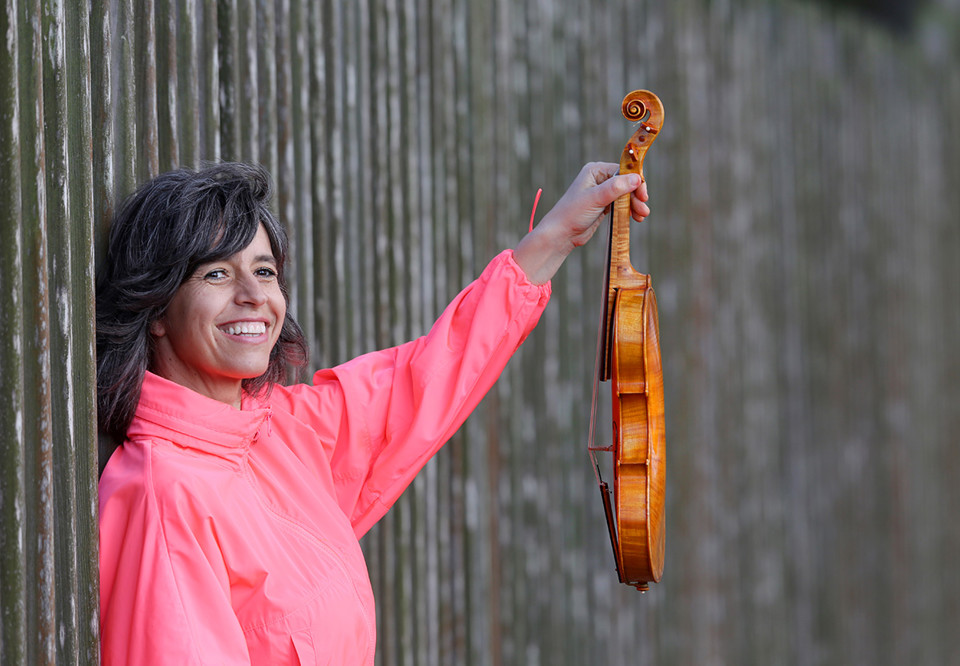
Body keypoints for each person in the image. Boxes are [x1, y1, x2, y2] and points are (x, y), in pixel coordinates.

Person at [96, 161, 649, 665]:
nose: (252, 295)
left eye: (263, 271)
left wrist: (555, 236)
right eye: (215, 274)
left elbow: (426, 378)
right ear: (157, 309)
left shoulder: (279, 433)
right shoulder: (163, 494)